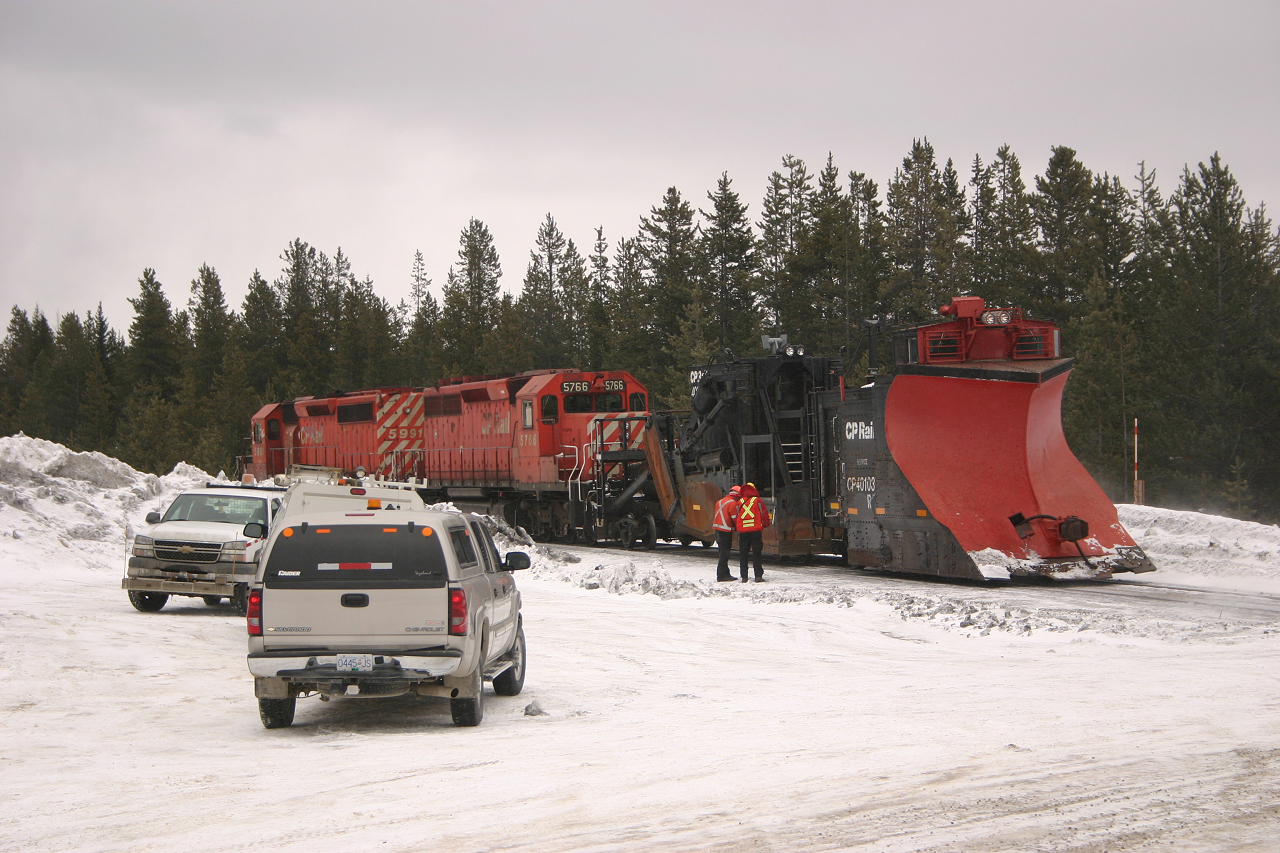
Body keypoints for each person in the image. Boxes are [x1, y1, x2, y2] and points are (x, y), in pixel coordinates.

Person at [735, 482, 771, 582]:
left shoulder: (739, 502)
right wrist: (766, 524)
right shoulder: (758, 501)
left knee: (743, 554)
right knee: (756, 554)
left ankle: (744, 577)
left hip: (743, 532)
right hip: (755, 531)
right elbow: (764, 514)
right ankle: (758, 576)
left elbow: (737, 517)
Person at [711, 486, 741, 582]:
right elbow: (735, 518)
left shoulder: (719, 501)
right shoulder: (733, 503)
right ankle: (721, 575)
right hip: (726, 531)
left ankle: (725, 573)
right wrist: (740, 528)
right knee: (725, 554)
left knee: (722, 553)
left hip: (717, 530)